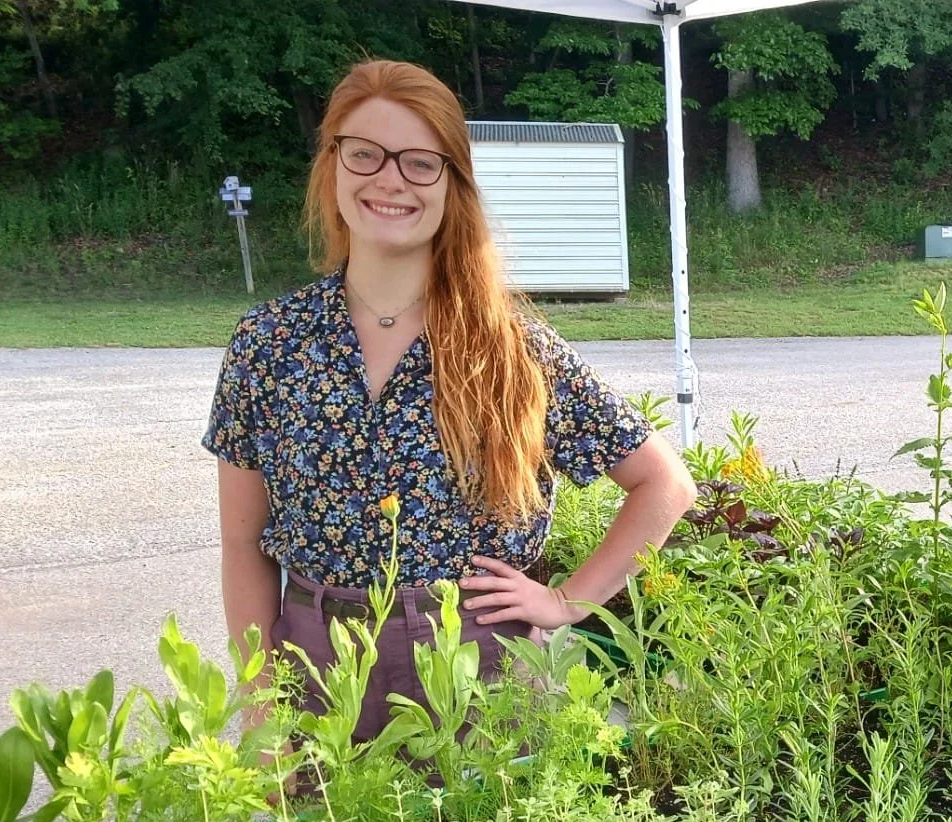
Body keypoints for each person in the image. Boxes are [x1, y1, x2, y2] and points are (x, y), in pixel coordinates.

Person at [206, 58, 695, 738]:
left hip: (479, 661)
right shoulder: (268, 344)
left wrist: (562, 601)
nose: (389, 179)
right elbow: (241, 544)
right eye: (365, 153)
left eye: (419, 162)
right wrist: (259, 702)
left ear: (452, 184)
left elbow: (664, 484)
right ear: (333, 165)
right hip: (313, 663)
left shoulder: (509, 346)